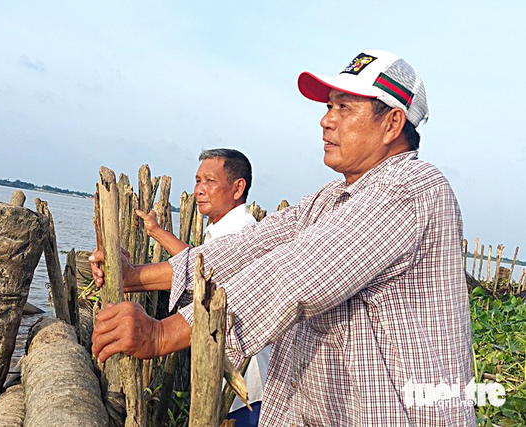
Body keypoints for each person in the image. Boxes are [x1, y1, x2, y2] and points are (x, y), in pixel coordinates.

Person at [91, 50, 475, 426]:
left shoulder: (411, 188)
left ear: (392, 124)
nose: (326, 121)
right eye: (328, 107)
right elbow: (246, 250)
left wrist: (162, 333)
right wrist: (133, 276)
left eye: (345, 108)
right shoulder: (332, 199)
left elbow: (297, 275)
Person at [136, 148, 269, 425]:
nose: (199, 190)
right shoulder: (221, 229)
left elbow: (201, 271)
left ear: (237, 188)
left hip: (246, 382)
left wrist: (131, 276)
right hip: (229, 376)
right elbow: (198, 263)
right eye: (197, 181)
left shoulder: (243, 231)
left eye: (209, 181)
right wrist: (156, 232)